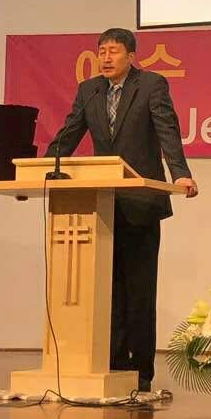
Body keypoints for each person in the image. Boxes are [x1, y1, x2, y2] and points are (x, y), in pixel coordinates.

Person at [45, 27, 198, 393]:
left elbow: (167, 131)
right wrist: (45, 167)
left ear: (131, 56)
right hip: (103, 205)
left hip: (141, 202)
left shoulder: (151, 85)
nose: (106, 57)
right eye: (101, 51)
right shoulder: (90, 90)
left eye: (113, 51)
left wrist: (180, 173)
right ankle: (113, 364)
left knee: (139, 291)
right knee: (107, 290)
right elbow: (69, 133)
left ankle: (141, 372)